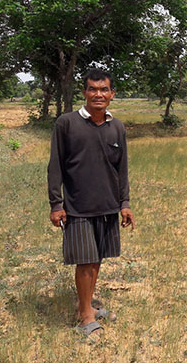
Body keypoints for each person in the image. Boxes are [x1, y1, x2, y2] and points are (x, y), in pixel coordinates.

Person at [47, 68, 134, 338]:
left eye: (104, 89)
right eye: (93, 89)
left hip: (108, 205)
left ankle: (86, 307)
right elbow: (55, 166)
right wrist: (56, 204)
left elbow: (122, 170)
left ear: (112, 94)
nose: (98, 94)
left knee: (96, 260)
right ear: (84, 93)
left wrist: (125, 203)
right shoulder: (67, 123)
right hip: (77, 206)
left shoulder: (116, 126)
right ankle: (85, 316)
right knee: (85, 262)